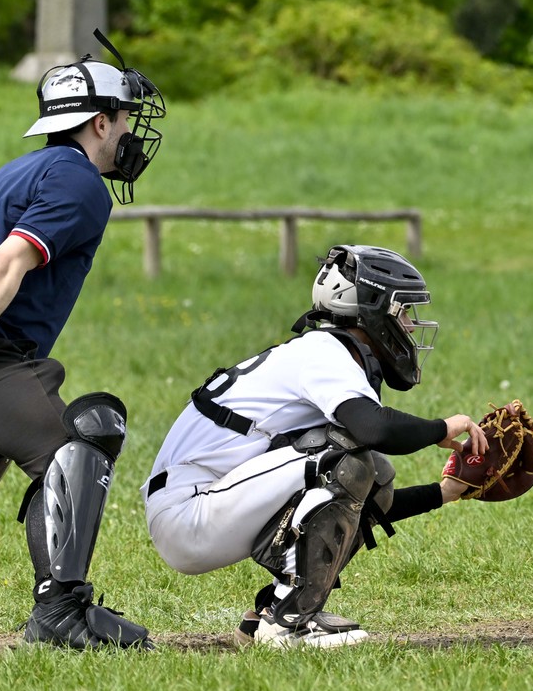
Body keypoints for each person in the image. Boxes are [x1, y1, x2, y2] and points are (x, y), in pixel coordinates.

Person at [0, 41, 166, 649]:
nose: (128, 135)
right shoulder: (79, 180)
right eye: (122, 120)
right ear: (97, 122)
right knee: (76, 442)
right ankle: (61, 612)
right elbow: (7, 262)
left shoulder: (26, 168)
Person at [143, 244, 492, 648]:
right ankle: (288, 622)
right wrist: (443, 426)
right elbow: (373, 429)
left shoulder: (324, 351)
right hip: (189, 512)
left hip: (202, 506)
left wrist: (445, 494)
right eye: (403, 312)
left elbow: (365, 498)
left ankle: (267, 615)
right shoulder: (325, 353)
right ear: (374, 310)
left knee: (368, 470)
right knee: (346, 455)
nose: (411, 326)